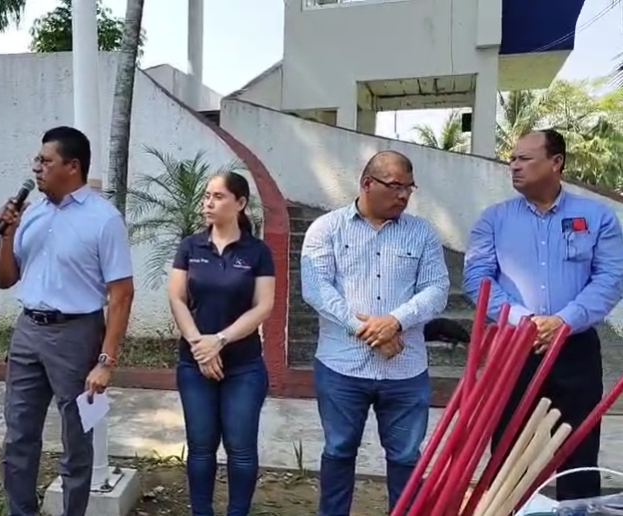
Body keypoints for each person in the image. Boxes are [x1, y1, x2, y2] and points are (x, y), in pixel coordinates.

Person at [463, 129, 623, 501]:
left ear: (556, 163)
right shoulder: (494, 220)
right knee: (507, 449)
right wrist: (525, 323)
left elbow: (611, 277)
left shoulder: (597, 217)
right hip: (515, 348)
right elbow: (476, 279)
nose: (514, 167)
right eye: (512, 159)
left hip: (576, 348)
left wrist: (567, 320)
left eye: (524, 159)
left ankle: (578, 510)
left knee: (578, 450)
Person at [0, 126, 135, 516]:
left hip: (77, 335)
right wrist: (6, 234)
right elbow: (5, 278)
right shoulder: (32, 213)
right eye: (36, 160)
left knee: (77, 438)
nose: (36, 168)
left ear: (72, 167)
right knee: (18, 435)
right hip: (27, 333)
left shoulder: (103, 220)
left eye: (45, 161)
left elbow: (121, 294)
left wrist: (106, 361)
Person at [300, 150, 449, 516]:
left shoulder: (422, 232)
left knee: (405, 457)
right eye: (396, 186)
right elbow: (316, 289)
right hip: (341, 368)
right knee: (338, 451)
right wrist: (369, 331)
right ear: (367, 183)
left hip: (405, 370)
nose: (404, 195)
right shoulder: (327, 229)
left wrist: (394, 322)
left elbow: (437, 289)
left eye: (409, 188)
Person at [167, 172, 275, 516]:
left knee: (241, 449)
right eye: (206, 197)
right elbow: (177, 299)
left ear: (240, 203)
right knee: (200, 447)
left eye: (217, 196)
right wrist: (200, 346)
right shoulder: (190, 247)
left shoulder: (257, 252)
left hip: (243, 366)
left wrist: (220, 340)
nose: (208, 203)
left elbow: (263, 306)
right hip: (194, 365)